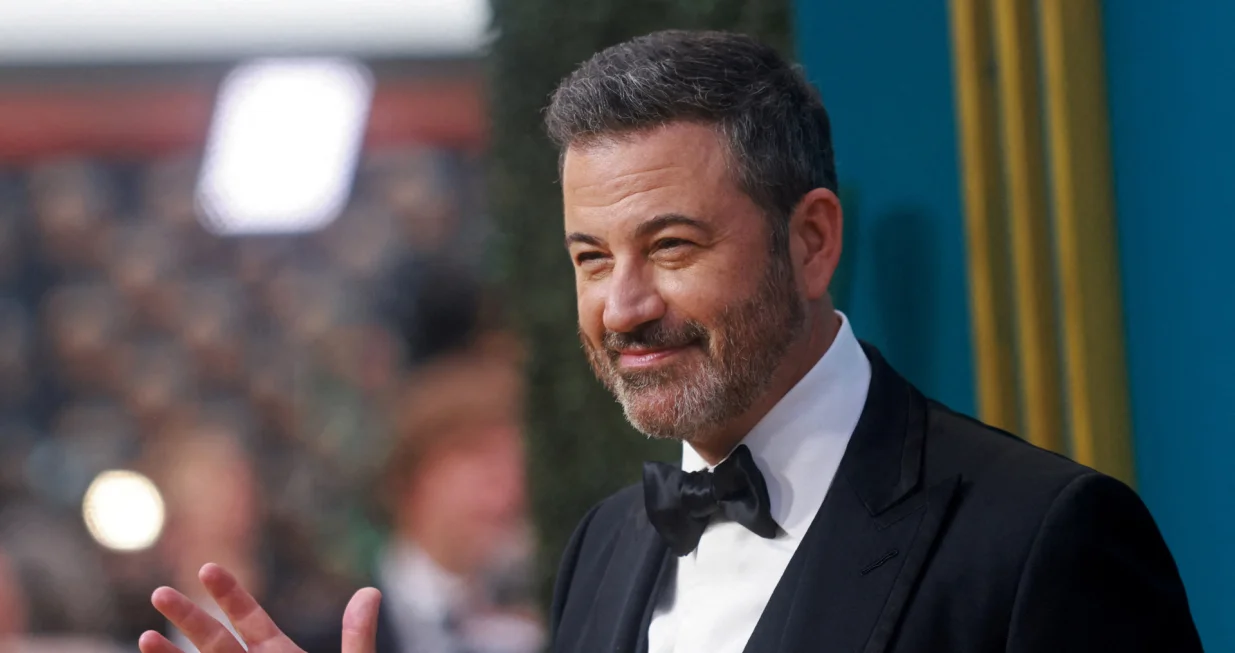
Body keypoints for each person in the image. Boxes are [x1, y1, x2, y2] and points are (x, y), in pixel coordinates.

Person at [137, 30, 1202, 653]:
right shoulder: (605, 547)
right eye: (590, 258)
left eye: (671, 244)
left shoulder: (1038, 537)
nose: (623, 304)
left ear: (811, 239)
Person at [297, 333, 542, 653]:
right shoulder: (319, 635)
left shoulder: (552, 624)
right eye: (478, 455)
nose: (508, 482)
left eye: (516, 458)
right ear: (411, 480)